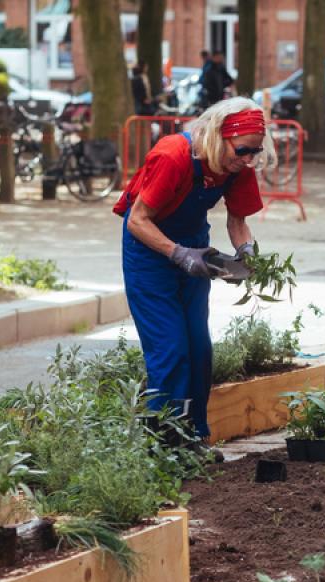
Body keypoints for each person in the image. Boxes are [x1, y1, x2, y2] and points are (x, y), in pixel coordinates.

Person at [112, 98, 276, 461]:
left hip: (194, 248)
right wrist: (178, 255)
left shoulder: (237, 167)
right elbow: (138, 220)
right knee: (170, 350)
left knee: (199, 350)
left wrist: (247, 254)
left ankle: (194, 438)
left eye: (256, 151)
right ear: (221, 137)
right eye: (244, 150)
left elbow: (237, 222)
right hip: (148, 252)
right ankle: (163, 446)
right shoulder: (172, 155)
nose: (249, 159)